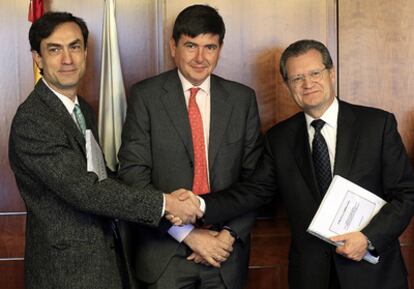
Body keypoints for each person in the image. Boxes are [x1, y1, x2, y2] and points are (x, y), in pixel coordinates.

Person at [199, 39, 414, 289]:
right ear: (287, 85)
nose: (307, 84)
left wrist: (368, 238)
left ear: (331, 73)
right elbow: (253, 192)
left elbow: (406, 195)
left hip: (374, 275)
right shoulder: (279, 138)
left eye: (315, 73)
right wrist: (199, 204)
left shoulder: (377, 125)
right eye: (297, 78)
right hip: (311, 276)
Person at [8, 11, 201, 289]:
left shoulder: (81, 109)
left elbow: (103, 177)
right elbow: (86, 190)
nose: (67, 59)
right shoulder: (34, 120)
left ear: (85, 52)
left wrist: (166, 200)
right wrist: (166, 204)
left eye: (74, 47)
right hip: (67, 274)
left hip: (104, 262)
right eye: (54, 49)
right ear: (37, 58)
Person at [117, 4, 263, 289]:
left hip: (225, 256)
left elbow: (256, 181)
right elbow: (133, 176)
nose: (200, 57)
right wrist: (187, 234)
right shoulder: (145, 96)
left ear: (220, 48)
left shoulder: (242, 99)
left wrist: (229, 235)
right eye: (190, 46)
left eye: (209, 47)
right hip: (165, 254)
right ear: (173, 46)